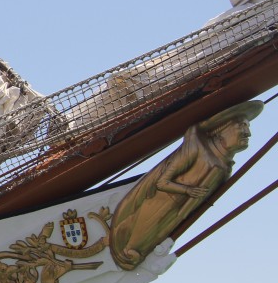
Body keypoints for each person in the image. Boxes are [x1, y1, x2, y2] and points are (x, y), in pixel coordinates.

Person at [110, 100, 263, 268]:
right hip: (158, 207)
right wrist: (188, 190)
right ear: (222, 131)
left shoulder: (225, 167)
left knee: (139, 249)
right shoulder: (196, 147)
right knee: (132, 248)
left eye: (247, 127)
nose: (247, 133)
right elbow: (161, 181)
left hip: (176, 213)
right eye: (241, 126)